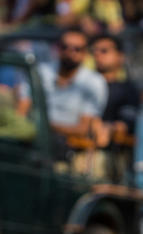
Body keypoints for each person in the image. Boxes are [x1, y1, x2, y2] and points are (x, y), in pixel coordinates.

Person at [39, 28, 108, 175]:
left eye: (77, 49)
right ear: (58, 48)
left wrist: (45, 126)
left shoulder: (93, 82)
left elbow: (83, 128)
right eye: (65, 47)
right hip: (34, 143)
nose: (70, 52)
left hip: (68, 152)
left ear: (85, 54)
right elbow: (23, 109)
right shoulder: (41, 71)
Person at [91, 34, 140, 184]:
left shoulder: (127, 89)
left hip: (110, 155)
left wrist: (109, 129)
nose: (98, 55)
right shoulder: (85, 85)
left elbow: (127, 123)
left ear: (120, 56)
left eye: (104, 50)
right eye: (95, 51)